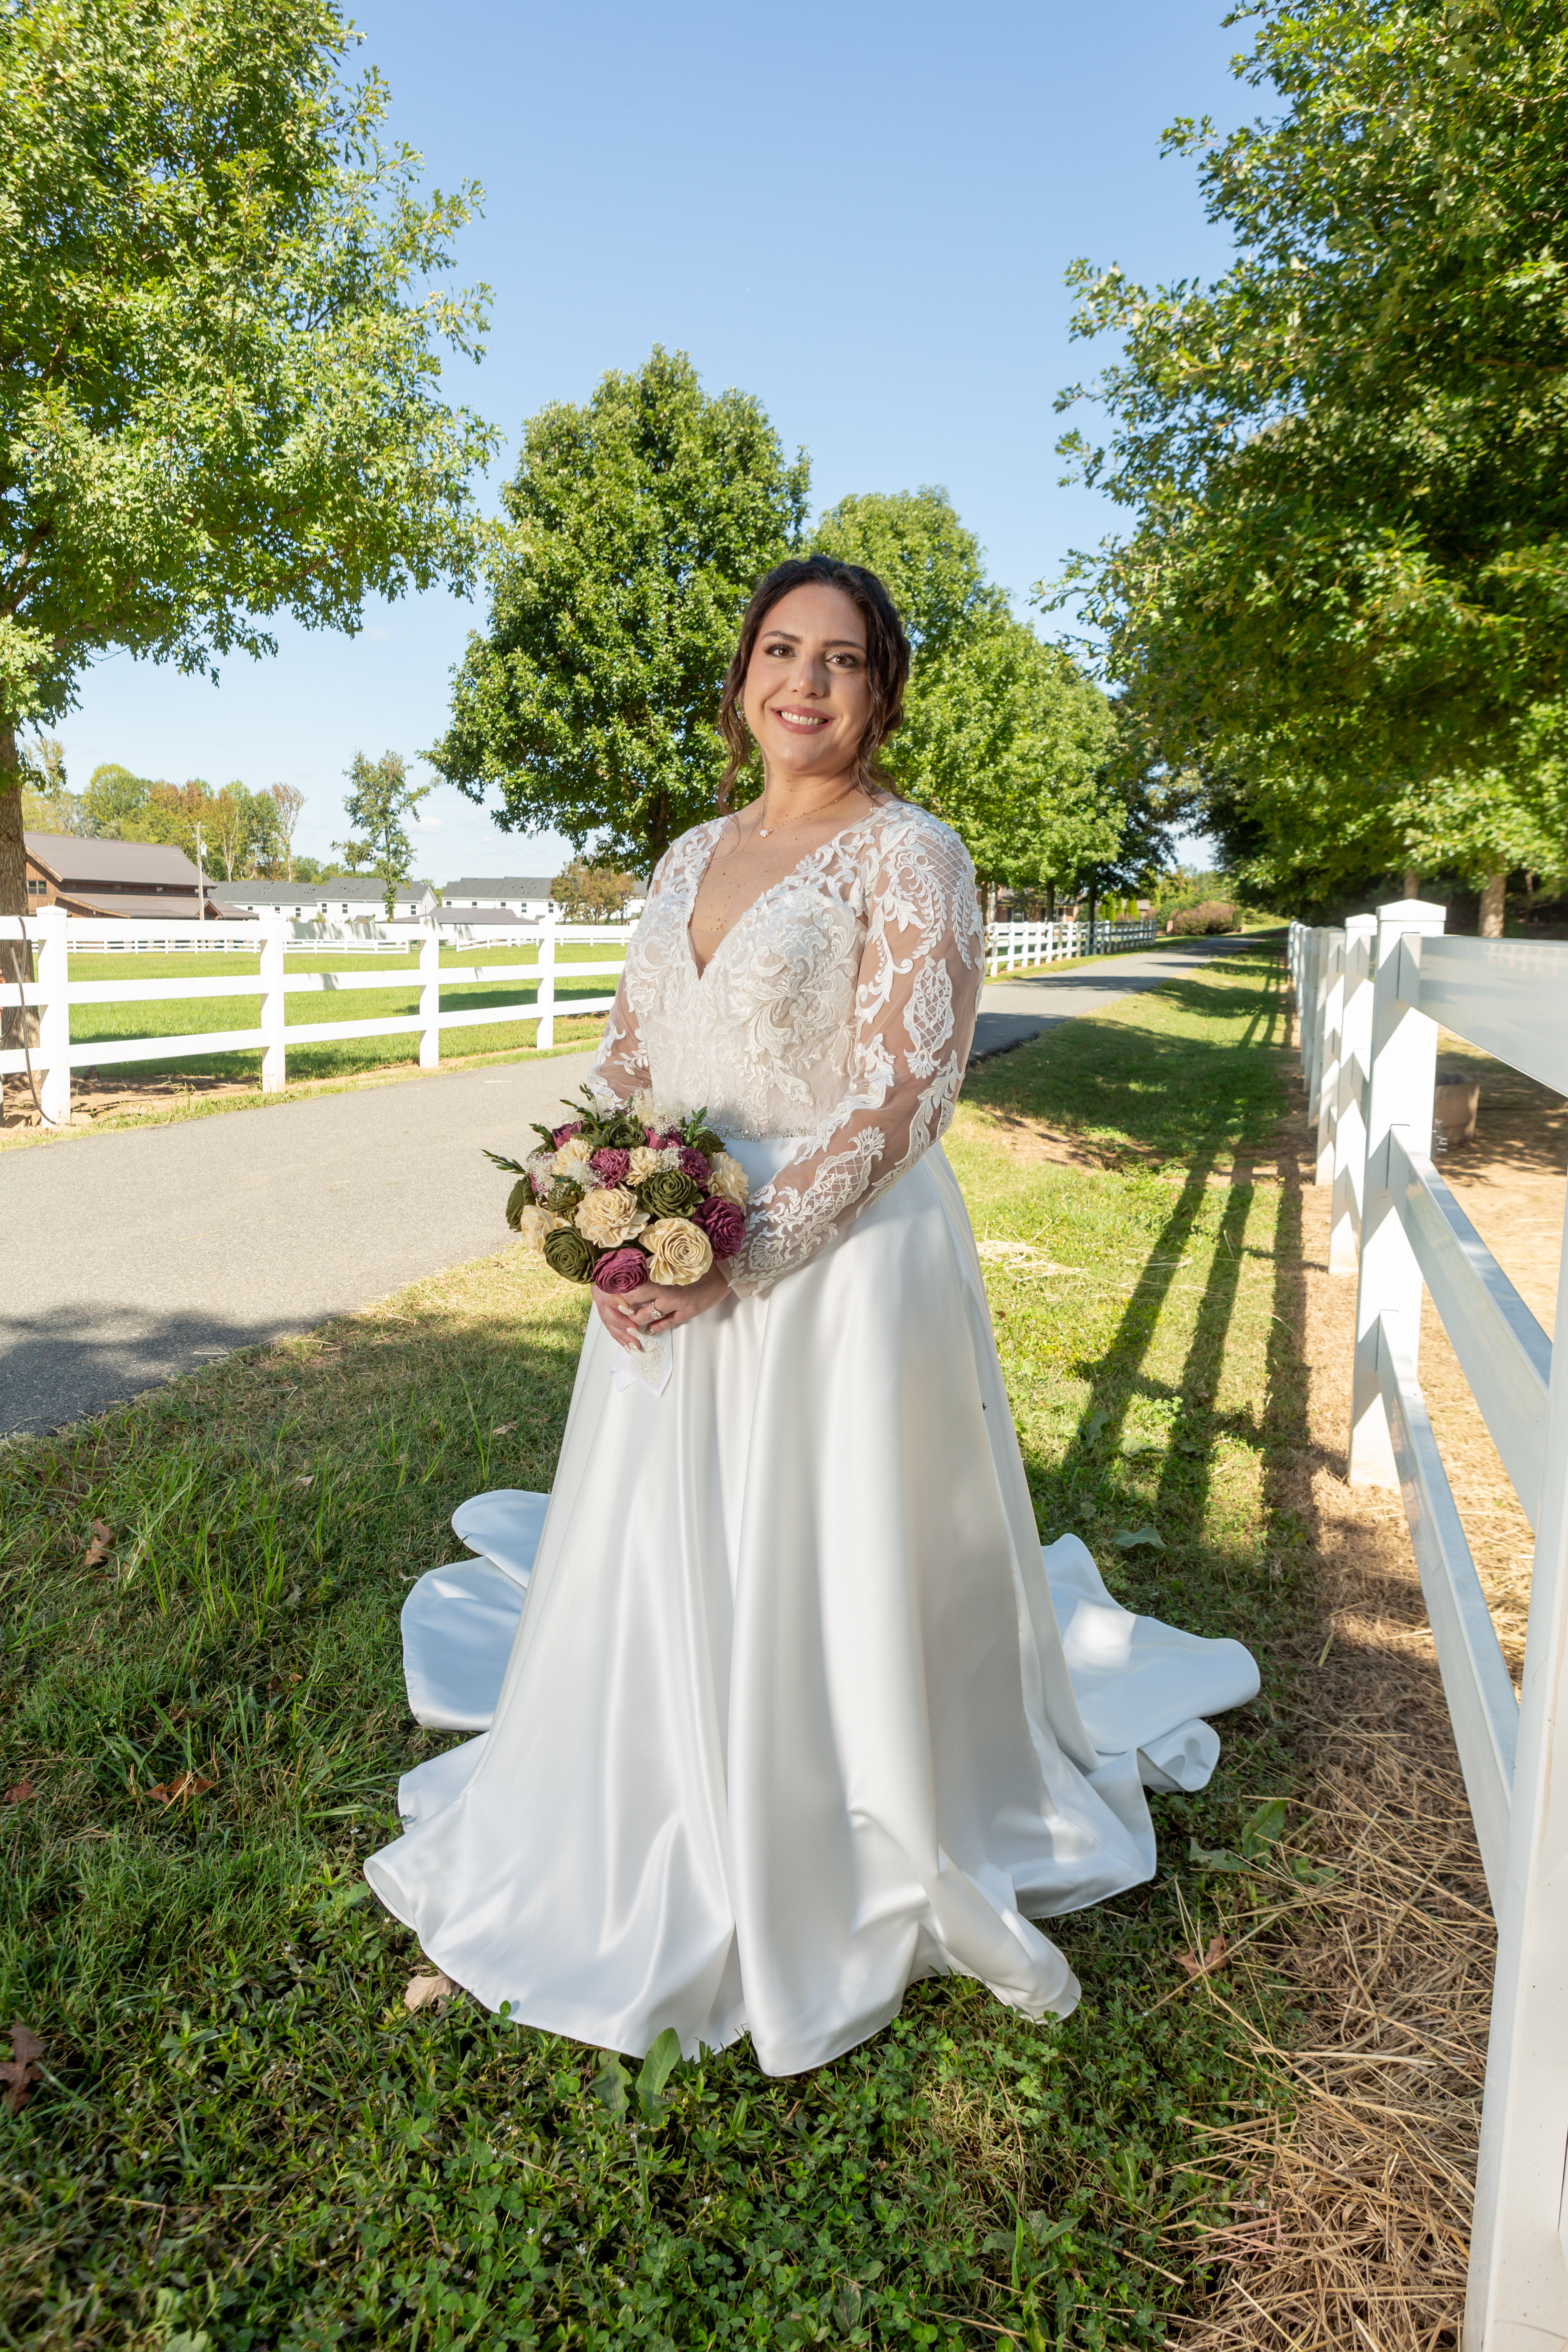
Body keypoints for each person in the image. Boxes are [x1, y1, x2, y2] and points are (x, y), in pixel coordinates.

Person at [365, 555, 1258, 2077]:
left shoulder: (913, 855)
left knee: (825, 1543)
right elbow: (634, 1052)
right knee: (661, 1537)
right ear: (742, 679)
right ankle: (644, 1798)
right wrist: (618, 1217)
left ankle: (834, 1810)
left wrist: (743, 1248)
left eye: (842, 661)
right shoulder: (684, 854)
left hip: (839, 1264)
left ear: (880, 691)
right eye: (782, 651)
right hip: (673, 1235)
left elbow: (908, 1088)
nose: (806, 682)